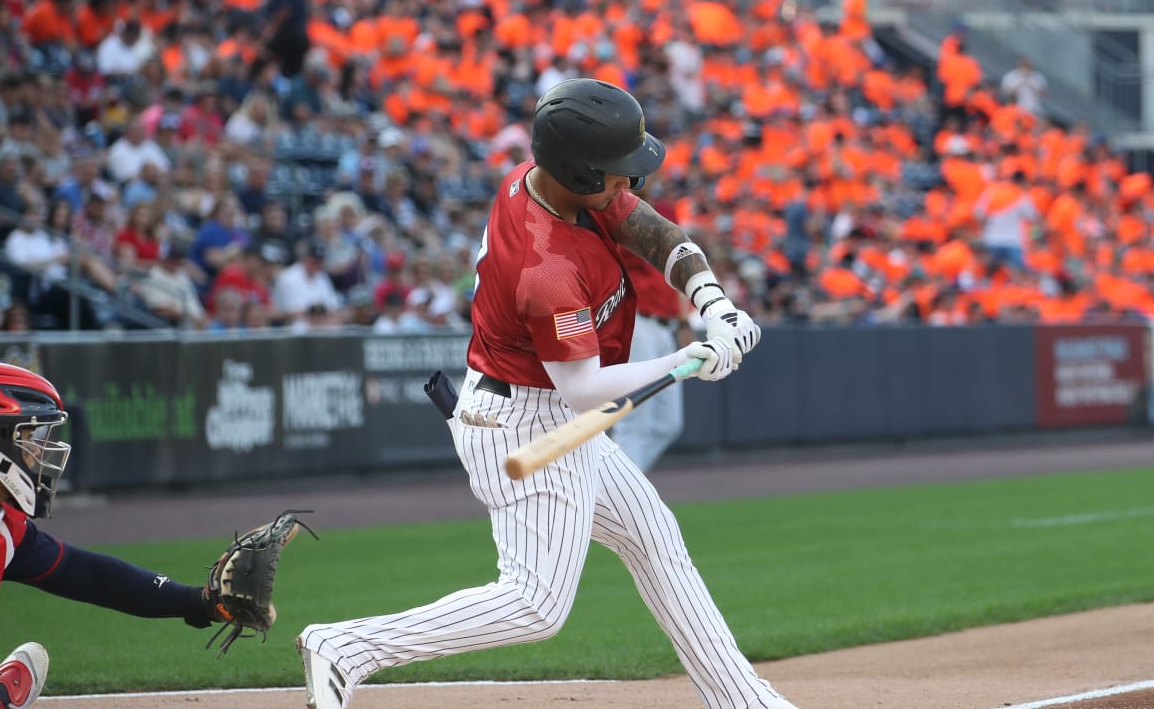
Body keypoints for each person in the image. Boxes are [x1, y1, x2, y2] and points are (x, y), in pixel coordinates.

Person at [296, 78, 791, 709]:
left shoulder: (551, 181)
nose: (629, 186)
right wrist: (688, 360)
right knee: (536, 606)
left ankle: (747, 702)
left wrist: (713, 305)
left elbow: (657, 236)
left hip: (538, 404)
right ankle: (346, 647)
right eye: (616, 175)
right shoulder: (545, 263)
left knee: (655, 538)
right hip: (525, 422)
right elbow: (584, 389)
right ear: (579, 172)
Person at [0, 358, 258, 708]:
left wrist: (198, 601)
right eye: (28, 436)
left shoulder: (0, 528)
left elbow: (87, 575)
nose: (40, 451)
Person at [610, 194, 690, 472]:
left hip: (665, 326)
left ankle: (614, 487)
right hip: (636, 322)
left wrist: (684, 321)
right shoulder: (613, 210)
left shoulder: (665, 208)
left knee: (668, 424)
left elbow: (680, 266)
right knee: (634, 420)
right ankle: (618, 495)